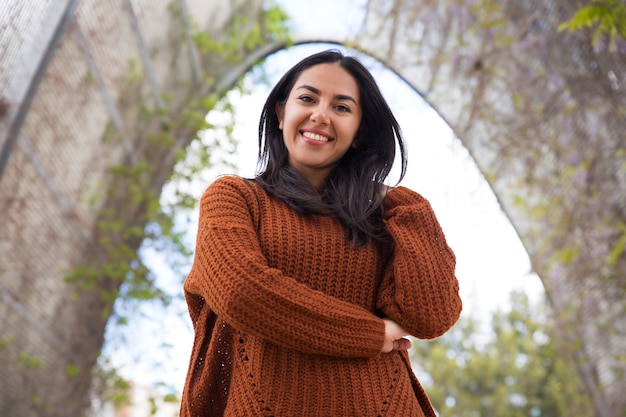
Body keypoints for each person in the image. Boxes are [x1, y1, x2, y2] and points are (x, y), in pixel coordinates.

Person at [180, 49, 462, 417]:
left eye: (342, 108)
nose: (320, 115)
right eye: (307, 98)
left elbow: (431, 316)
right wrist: (368, 335)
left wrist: (405, 204)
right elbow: (241, 293)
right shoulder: (235, 197)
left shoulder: (387, 214)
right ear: (281, 113)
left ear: (359, 133)